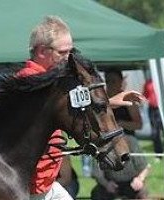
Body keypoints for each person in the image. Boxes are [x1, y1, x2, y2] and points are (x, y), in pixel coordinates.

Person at [17, 16, 146, 200]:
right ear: (42, 51)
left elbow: (71, 106)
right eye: (63, 52)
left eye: (71, 52)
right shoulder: (28, 80)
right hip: (28, 186)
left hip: (47, 183)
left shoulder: (49, 79)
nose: (69, 59)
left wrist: (110, 102)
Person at [90, 69, 150, 200]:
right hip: (106, 141)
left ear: (121, 82)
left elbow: (138, 125)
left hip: (127, 140)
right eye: (108, 81)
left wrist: (120, 124)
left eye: (114, 81)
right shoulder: (102, 101)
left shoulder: (128, 101)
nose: (111, 84)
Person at [91, 134, 150, 200]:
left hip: (131, 183)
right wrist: (106, 184)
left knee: (143, 193)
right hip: (110, 182)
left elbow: (145, 167)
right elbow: (97, 173)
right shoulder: (101, 145)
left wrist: (140, 179)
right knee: (96, 194)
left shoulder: (131, 141)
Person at [143, 78, 164, 160]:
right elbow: (144, 95)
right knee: (155, 133)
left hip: (163, 108)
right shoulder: (148, 83)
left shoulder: (163, 79)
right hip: (152, 109)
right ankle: (158, 155)